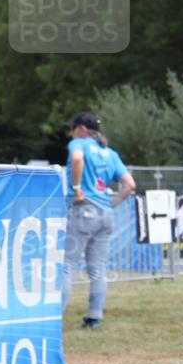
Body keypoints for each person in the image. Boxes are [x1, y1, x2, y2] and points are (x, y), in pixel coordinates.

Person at [61, 112, 136, 330]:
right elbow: (130, 184)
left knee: (66, 266)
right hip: (105, 214)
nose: (71, 132)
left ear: (82, 130)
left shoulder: (79, 143)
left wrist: (76, 188)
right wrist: (113, 202)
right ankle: (94, 317)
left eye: (73, 128)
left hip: (83, 211)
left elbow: (76, 159)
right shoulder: (109, 153)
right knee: (98, 269)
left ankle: (55, 318)